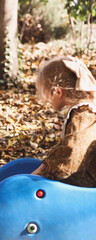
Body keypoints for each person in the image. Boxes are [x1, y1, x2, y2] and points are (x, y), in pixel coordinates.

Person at [32, 56, 96, 187]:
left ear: (57, 92)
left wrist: (46, 172)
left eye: (44, 94)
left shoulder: (83, 114)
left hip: (85, 183)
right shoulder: (83, 110)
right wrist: (44, 165)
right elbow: (68, 144)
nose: (45, 101)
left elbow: (73, 153)